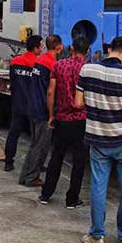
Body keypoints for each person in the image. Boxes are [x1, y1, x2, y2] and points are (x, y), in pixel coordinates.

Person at [75, 37, 122, 243]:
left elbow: (78, 103)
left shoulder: (87, 70)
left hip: (98, 138)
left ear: (109, 49)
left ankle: (97, 236)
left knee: (98, 186)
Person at [39, 35, 90, 208]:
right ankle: (72, 199)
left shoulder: (58, 65)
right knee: (79, 160)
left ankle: (46, 194)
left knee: (56, 157)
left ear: (72, 49)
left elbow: (50, 92)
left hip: (62, 118)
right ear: (88, 51)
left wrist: (52, 114)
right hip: (82, 120)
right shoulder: (89, 69)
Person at [19, 34, 63, 187]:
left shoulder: (39, 61)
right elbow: (50, 92)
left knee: (34, 144)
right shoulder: (52, 65)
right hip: (43, 111)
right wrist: (52, 114)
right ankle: (31, 177)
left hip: (32, 107)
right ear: (59, 47)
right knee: (41, 146)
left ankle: (25, 175)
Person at [4, 35, 43, 172]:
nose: (42, 48)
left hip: (17, 102)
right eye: (41, 46)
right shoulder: (38, 64)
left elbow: (12, 80)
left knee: (14, 133)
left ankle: (8, 162)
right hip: (33, 105)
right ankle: (35, 164)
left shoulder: (15, 61)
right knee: (36, 137)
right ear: (36, 48)